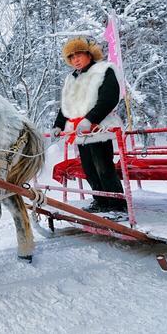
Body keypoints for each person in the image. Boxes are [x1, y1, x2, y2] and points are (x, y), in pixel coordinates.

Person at [52, 36, 127, 213]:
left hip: (98, 127)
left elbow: (108, 98)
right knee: (89, 169)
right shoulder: (71, 78)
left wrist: (90, 119)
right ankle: (100, 201)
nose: (75, 60)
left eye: (78, 55)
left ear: (89, 54)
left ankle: (117, 205)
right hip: (80, 132)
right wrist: (59, 125)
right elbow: (66, 105)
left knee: (103, 167)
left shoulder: (104, 70)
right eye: (71, 57)